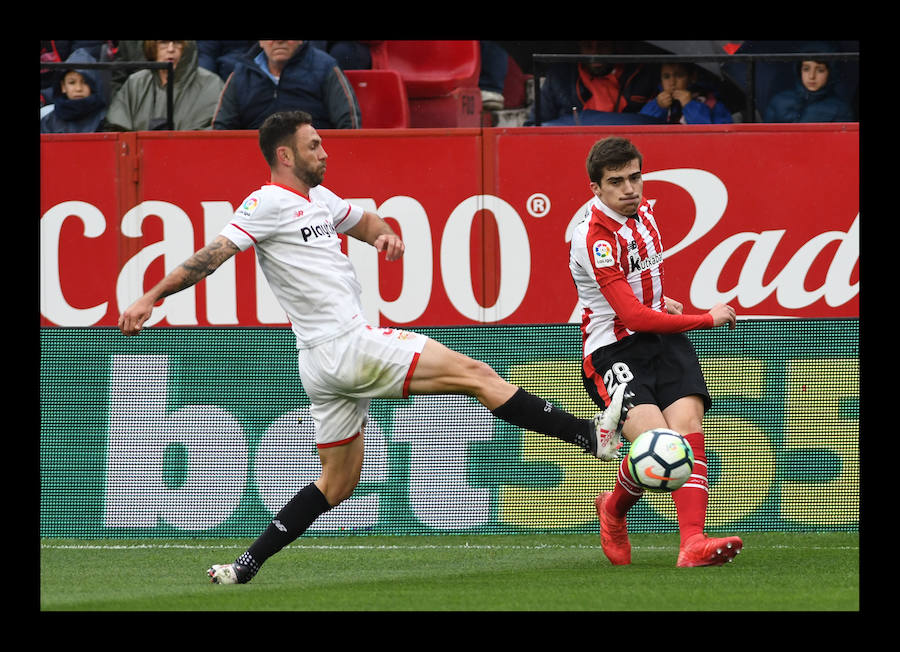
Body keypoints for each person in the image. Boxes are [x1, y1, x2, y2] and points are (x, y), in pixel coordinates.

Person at [117, 110, 631, 584]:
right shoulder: (267, 202)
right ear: (286, 156)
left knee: (337, 484)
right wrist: (151, 296)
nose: (325, 153)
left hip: (321, 363)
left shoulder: (317, 200)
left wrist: (384, 234)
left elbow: (363, 222)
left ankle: (245, 565)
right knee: (476, 373)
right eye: (314, 147)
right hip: (346, 345)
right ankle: (588, 435)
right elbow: (214, 254)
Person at [569, 136, 744, 567]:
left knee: (686, 432)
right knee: (655, 443)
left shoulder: (645, 213)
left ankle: (692, 544)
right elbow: (634, 317)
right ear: (596, 189)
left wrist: (660, 302)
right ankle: (612, 509)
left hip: (661, 340)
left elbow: (645, 295)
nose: (630, 189)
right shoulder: (594, 239)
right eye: (616, 182)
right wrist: (706, 319)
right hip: (613, 349)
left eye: (635, 177)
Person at [212, 41, 361, 130]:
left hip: (312, 162)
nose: (280, 40)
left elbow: (349, 124)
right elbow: (222, 129)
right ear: (261, 41)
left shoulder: (326, 67)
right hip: (253, 159)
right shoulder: (241, 74)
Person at [527, 41, 658, 126]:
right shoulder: (559, 75)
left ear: (615, 46)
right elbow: (534, 125)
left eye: (603, 45)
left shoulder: (643, 73)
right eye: (588, 46)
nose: (595, 53)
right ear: (579, 47)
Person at [104, 40, 224, 131]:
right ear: (152, 48)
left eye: (177, 42)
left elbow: (214, 133)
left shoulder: (210, 84)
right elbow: (116, 128)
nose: (171, 49)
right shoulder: (135, 82)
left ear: (188, 48)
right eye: (164, 42)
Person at [764, 58, 854, 123]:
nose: (812, 76)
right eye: (806, 69)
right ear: (799, 71)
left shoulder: (840, 108)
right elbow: (764, 141)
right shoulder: (779, 101)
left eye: (820, 70)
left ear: (830, 73)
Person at [639, 62, 733, 125]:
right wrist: (658, 106)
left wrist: (690, 105)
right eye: (666, 76)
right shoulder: (656, 102)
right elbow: (641, 126)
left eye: (679, 75)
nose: (672, 82)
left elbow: (712, 134)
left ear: (692, 77)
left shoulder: (712, 104)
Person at [40, 48, 108, 133]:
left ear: (94, 85)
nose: (78, 88)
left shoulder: (106, 120)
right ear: (63, 86)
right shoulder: (48, 121)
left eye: (85, 82)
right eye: (72, 82)